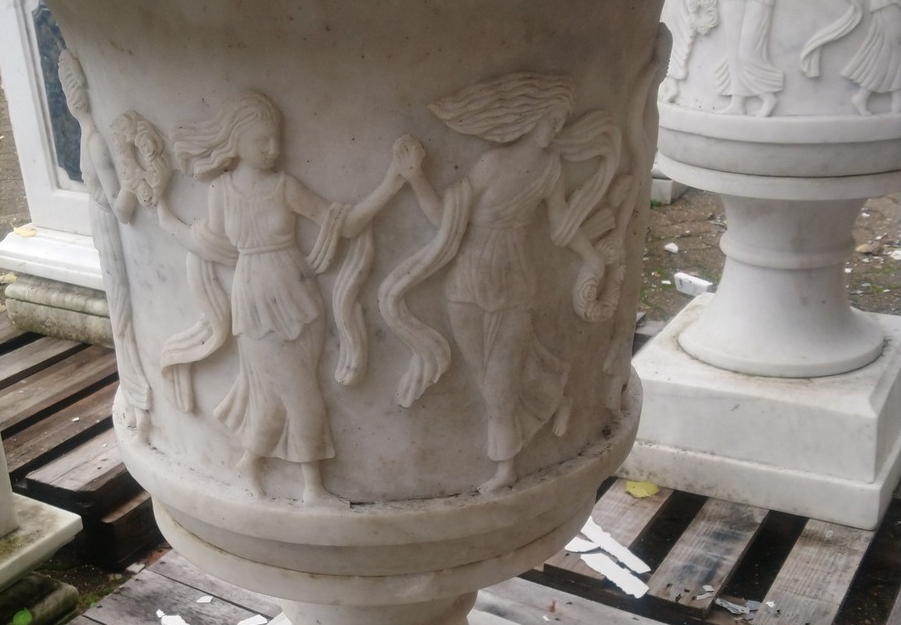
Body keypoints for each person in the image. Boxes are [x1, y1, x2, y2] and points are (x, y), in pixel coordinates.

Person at [158, 91, 406, 506]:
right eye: (262, 141)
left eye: (276, 140)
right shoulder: (220, 192)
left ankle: (249, 464)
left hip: (298, 294)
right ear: (235, 142)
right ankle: (312, 489)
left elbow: (342, 226)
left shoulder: (285, 187)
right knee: (301, 395)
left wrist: (393, 180)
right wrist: (164, 214)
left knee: (276, 399)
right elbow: (209, 242)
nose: (273, 150)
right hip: (254, 299)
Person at [385, 73, 626, 494]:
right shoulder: (490, 164)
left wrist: (591, 257)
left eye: (562, 120)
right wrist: (415, 177)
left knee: (498, 382)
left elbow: (560, 228)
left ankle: (506, 468)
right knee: (485, 376)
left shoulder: (550, 168)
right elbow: (446, 219)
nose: (556, 128)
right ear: (531, 118)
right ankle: (554, 399)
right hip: (466, 282)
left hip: (514, 279)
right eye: (552, 119)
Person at [57, 53, 153, 442]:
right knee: (124, 315)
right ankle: (139, 397)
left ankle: (138, 398)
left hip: (101, 225)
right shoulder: (96, 140)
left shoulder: (87, 135)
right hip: (111, 229)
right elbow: (123, 210)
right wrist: (137, 176)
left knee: (122, 315)